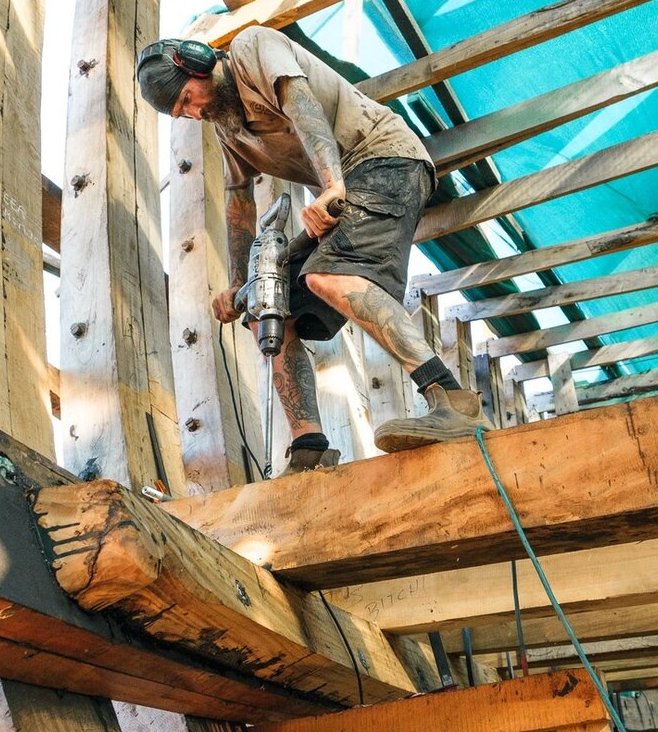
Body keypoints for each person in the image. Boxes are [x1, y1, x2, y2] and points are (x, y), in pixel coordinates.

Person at [136, 26, 490, 475]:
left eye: (186, 99)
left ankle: (453, 399)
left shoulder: (251, 50)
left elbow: (303, 109)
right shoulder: (226, 125)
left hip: (384, 159)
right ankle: (309, 448)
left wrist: (331, 185)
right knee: (266, 308)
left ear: (198, 64)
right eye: (179, 112)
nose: (190, 113)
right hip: (342, 185)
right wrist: (241, 284)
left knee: (329, 275)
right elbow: (239, 202)